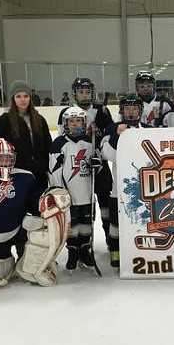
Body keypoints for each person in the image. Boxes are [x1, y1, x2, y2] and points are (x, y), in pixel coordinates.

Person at [57, 77, 114, 255]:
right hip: (78, 164)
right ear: (75, 93)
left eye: (87, 91)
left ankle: (111, 239)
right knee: (79, 206)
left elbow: (110, 135)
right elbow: (64, 138)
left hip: (99, 164)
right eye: (81, 92)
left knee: (106, 203)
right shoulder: (67, 112)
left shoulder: (101, 111)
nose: (84, 95)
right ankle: (81, 245)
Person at [0, 139, 41, 286]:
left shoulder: (25, 177)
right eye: (0, 157)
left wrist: (44, 211)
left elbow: (35, 206)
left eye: (9, 157)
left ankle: (24, 255)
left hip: (18, 229)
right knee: (0, 275)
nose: (5, 161)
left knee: (34, 264)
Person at [100, 93, 150, 268]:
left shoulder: (150, 130)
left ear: (140, 111)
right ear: (121, 111)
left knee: (144, 221)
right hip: (119, 188)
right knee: (115, 224)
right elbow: (108, 155)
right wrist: (117, 135)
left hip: (146, 187)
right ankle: (116, 252)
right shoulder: (111, 129)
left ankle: (141, 251)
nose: (131, 112)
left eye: (135, 108)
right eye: (127, 108)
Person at [0, 80, 52, 192]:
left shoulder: (39, 119)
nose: (23, 99)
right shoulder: (6, 120)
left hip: (40, 172)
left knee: (39, 206)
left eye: (26, 96)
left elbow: (48, 144)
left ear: (30, 98)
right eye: (18, 96)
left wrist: (51, 167)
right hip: (18, 172)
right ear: (13, 98)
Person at [49, 106, 98, 271]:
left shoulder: (89, 142)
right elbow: (53, 171)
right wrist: (59, 192)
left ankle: (84, 249)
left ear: (84, 123)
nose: (75, 124)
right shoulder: (59, 144)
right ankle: (73, 251)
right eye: (71, 121)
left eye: (78, 121)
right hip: (69, 193)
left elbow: (98, 169)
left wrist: (96, 165)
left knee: (86, 223)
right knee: (72, 225)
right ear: (65, 124)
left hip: (87, 191)